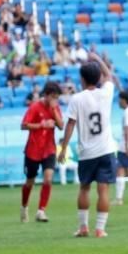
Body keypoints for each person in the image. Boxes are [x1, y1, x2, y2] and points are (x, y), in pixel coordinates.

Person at [58, 53, 117, 238]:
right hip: (106, 150)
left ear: (82, 79)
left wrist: (64, 147)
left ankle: (83, 228)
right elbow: (109, 75)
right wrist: (97, 58)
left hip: (87, 153)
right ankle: (100, 229)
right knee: (103, 189)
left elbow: (70, 124)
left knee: (84, 188)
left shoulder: (77, 99)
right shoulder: (106, 93)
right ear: (98, 78)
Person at [20, 82, 64, 223]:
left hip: (49, 149)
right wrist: (41, 125)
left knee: (48, 179)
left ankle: (41, 211)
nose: (55, 100)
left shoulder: (55, 108)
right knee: (30, 182)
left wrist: (54, 111)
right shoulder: (34, 107)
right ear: (46, 95)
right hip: (33, 150)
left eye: (57, 97)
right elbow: (23, 126)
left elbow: (61, 126)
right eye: (53, 97)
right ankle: (24, 207)